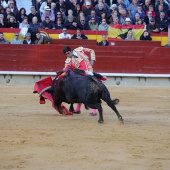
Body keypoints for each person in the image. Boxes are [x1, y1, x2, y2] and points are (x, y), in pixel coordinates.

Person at [62, 46, 97, 116]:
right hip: (81, 77)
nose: (67, 55)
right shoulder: (68, 61)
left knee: (92, 91)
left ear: (71, 51)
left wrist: (92, 60)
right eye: (66, 54)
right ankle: (78, 109)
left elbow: (91, 50)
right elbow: (66, 69)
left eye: (68, 53)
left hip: (89, 72)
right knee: (80, 92)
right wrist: (63, 71)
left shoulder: (79, 50)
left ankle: (94, 110)